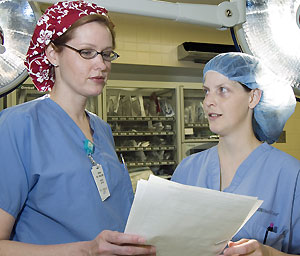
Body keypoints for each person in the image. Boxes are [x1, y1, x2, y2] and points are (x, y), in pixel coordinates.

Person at [0, 1, 155, 255]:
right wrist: (86, 250)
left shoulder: (102, 130)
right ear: (52, 53)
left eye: (106, 53)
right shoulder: (19, 126)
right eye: (86, 52)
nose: (101, 65)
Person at [171, 52, 300, 255]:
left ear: (253, 97)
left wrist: (269, 253)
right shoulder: (187, 170)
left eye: (222, 90)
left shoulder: (291, 175)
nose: (208, 102)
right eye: (206, 91)